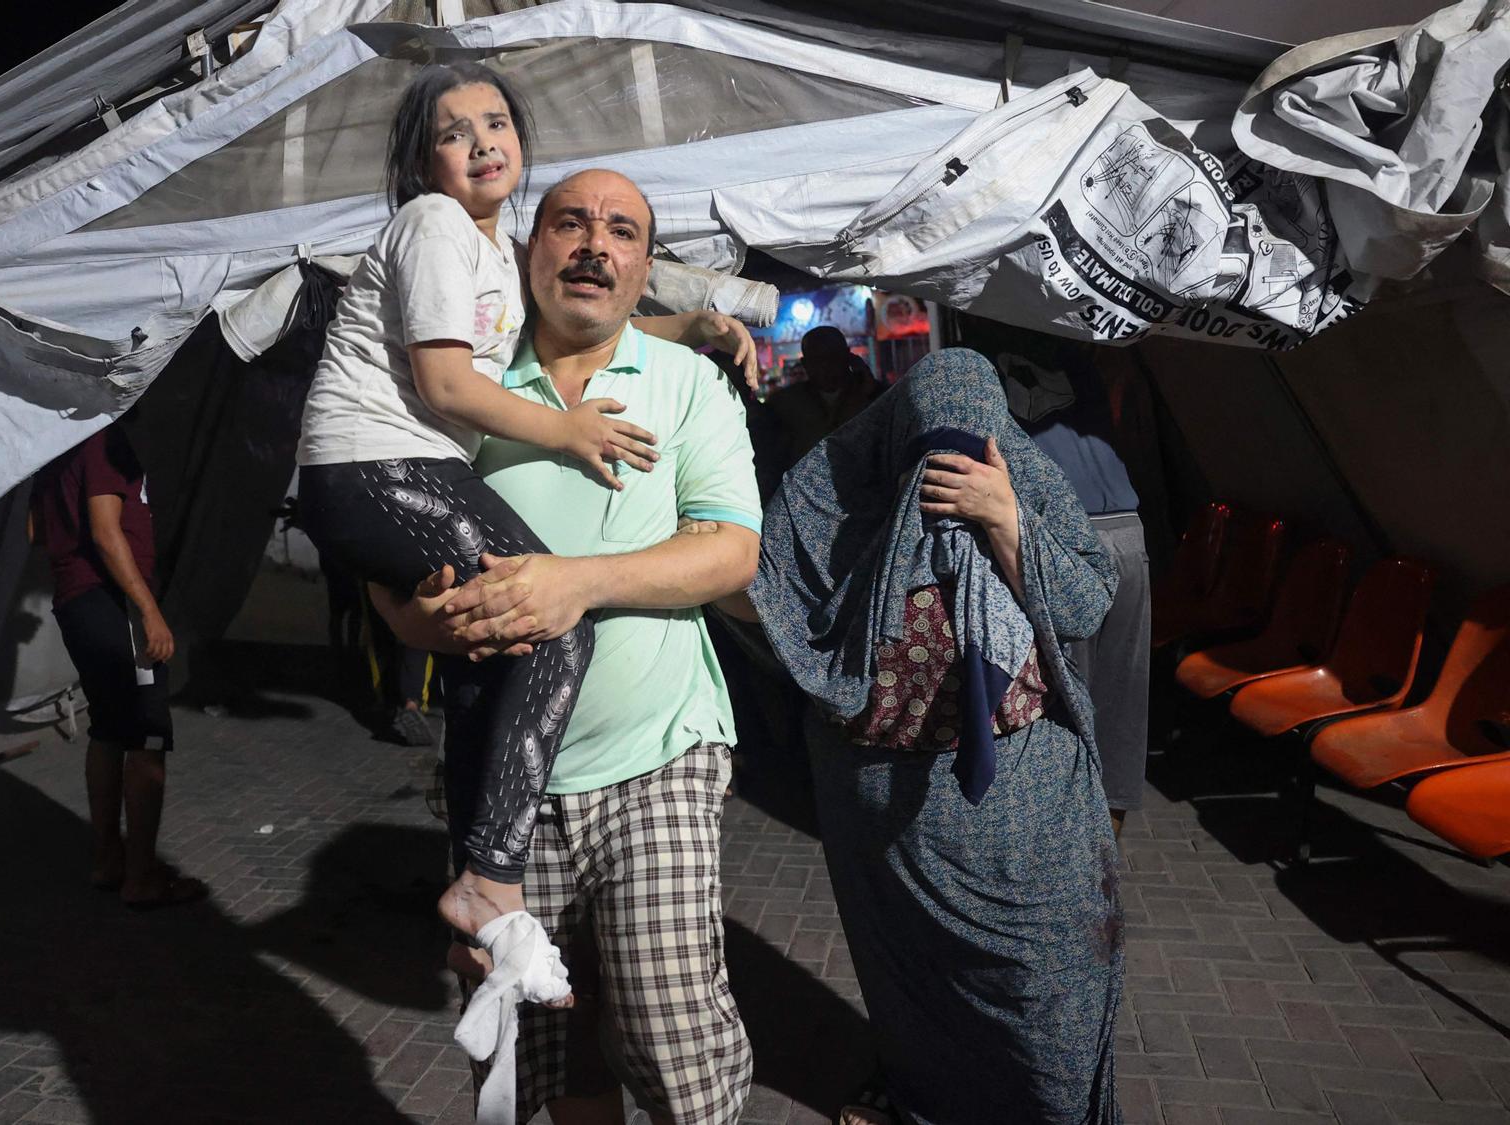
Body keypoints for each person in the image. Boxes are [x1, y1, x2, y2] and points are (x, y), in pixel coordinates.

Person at [292, 63, 752, 971]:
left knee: (506, 651)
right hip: (376, 463)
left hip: (646, 750)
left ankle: (482, 877)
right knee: (553, 632)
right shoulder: (434, 230)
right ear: (424, 162)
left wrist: (692, 324)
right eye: (453, 133)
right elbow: (445, 384)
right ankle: (491, 882)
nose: (481, 143)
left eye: (495, 123)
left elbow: (575, 323)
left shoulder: (492, 260)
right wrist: (568, 433)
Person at [376, 168, 760, 1125]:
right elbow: (381, 569)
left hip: (658, 754)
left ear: (640, 269)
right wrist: (413, 621)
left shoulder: (684, 382)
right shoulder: (458, 385)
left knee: (671, 1024)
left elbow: (732, 550)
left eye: (622, 231)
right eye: (571, 223)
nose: (595, 244)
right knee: (534, 1035)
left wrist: (573, 582)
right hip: (500, 781)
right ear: (526, 248)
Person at [745, 348, 1123, 1124]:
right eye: (928, 445)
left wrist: (1006, 518)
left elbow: (1085, 603)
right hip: (890, 813)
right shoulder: (839, 490)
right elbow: (763, 580)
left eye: (968, 440)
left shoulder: (1022, 481)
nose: (943, 471)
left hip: (1029, 795)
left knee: (1046, 990)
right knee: (917, 986)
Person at [31, 426, 205, 909]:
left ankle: (109, 861)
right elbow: (107, 533)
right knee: (147, 736)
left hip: (75, 600)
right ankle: (142, 877)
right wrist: (148, 610)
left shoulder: (58, 450)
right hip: (113, 602)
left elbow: (38, 531)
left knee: (108, 730)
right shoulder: (104, 444)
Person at [990, 334, 1150, 839]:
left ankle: (1070, 844)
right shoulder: (1094, 354)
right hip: (1125, 528)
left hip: (1067, 534)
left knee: (1068, 700)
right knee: (1120, 693)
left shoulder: (991, 370)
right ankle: (1104, 843)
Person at [768, 324, 881, 463]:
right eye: (817, 360)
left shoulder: (875, 395)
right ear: (806, 363)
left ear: (847, 356)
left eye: (833, 357)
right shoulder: (784, 404)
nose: (825, 366)